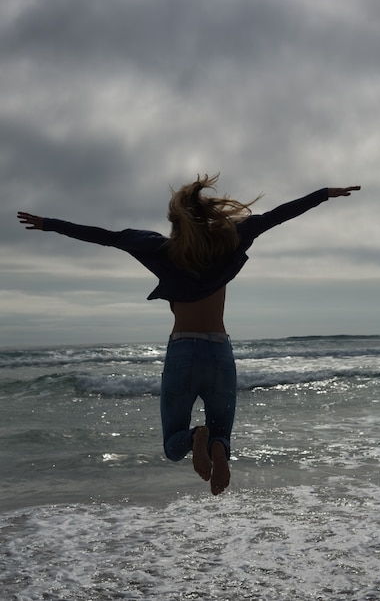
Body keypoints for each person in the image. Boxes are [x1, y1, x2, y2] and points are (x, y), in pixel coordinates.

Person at [17, 175, 360, 495]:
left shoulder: (159, 249)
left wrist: (50, 225)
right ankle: (214, 446)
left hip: (182, 352)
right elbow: (277, 215)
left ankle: (196, 437)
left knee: (171, 445)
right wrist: (323, 195)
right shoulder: (230, 238)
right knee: (223, 434)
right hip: (219, 352)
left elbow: (105, 236)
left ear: (175, 221)